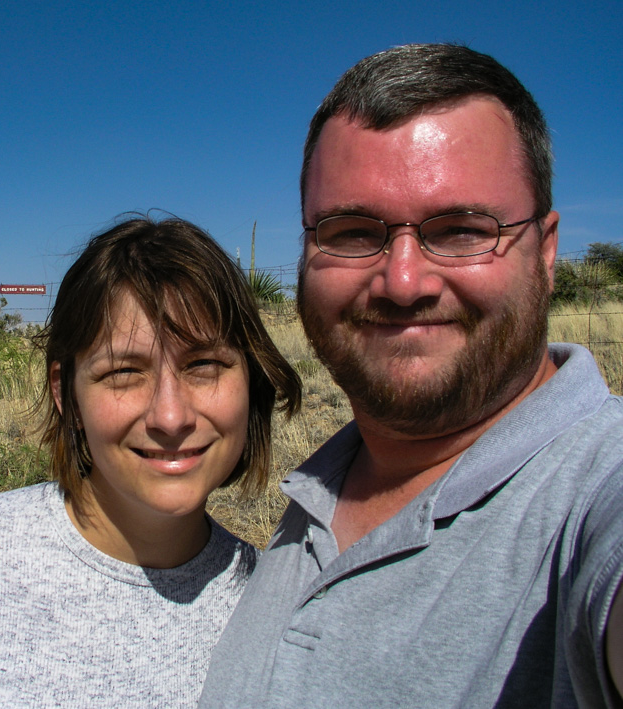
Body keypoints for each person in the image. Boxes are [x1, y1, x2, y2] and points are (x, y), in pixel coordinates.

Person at [199, 44, 623, 708]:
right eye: (353, 231)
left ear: (545, 252)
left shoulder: (597, 486)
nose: (402, 282)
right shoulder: (316, 492)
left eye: (461, 229)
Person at [0, 215, 301, 708]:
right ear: (65, 393)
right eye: (124, 372)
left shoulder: (279, 614)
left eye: (204, 365)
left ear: (251, 381)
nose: (170, 416)